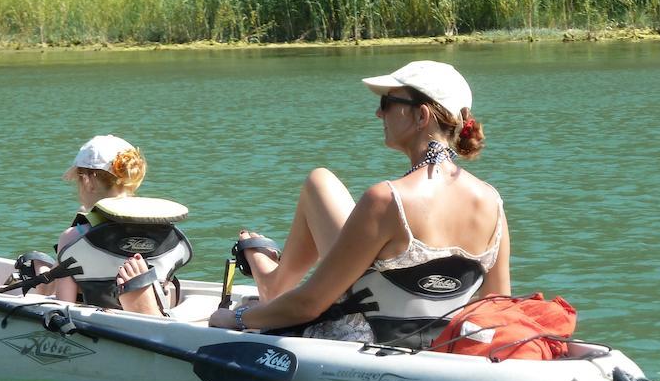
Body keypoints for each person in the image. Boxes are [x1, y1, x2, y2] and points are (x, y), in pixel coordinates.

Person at [209, 60, 511, 348]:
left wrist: (236, 317)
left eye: (387, 104)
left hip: (364, 343)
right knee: (321, 182)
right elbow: (497, 307)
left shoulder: (387, 199)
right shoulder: (492, 202)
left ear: (422, 116)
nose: (379, 114)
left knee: (318, 181)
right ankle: (272, 282)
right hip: (437, 347)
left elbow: (308, 305)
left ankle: (272, 283)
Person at [0, 134, 166, 315]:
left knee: (15, 293)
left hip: (94, 317)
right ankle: (41, 276)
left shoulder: (75, 237)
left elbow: (64, 305)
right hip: (133, 307)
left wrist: (76, 239)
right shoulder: (163, 232)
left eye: (77, 181)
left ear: (88, 181)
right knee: (39, 266)